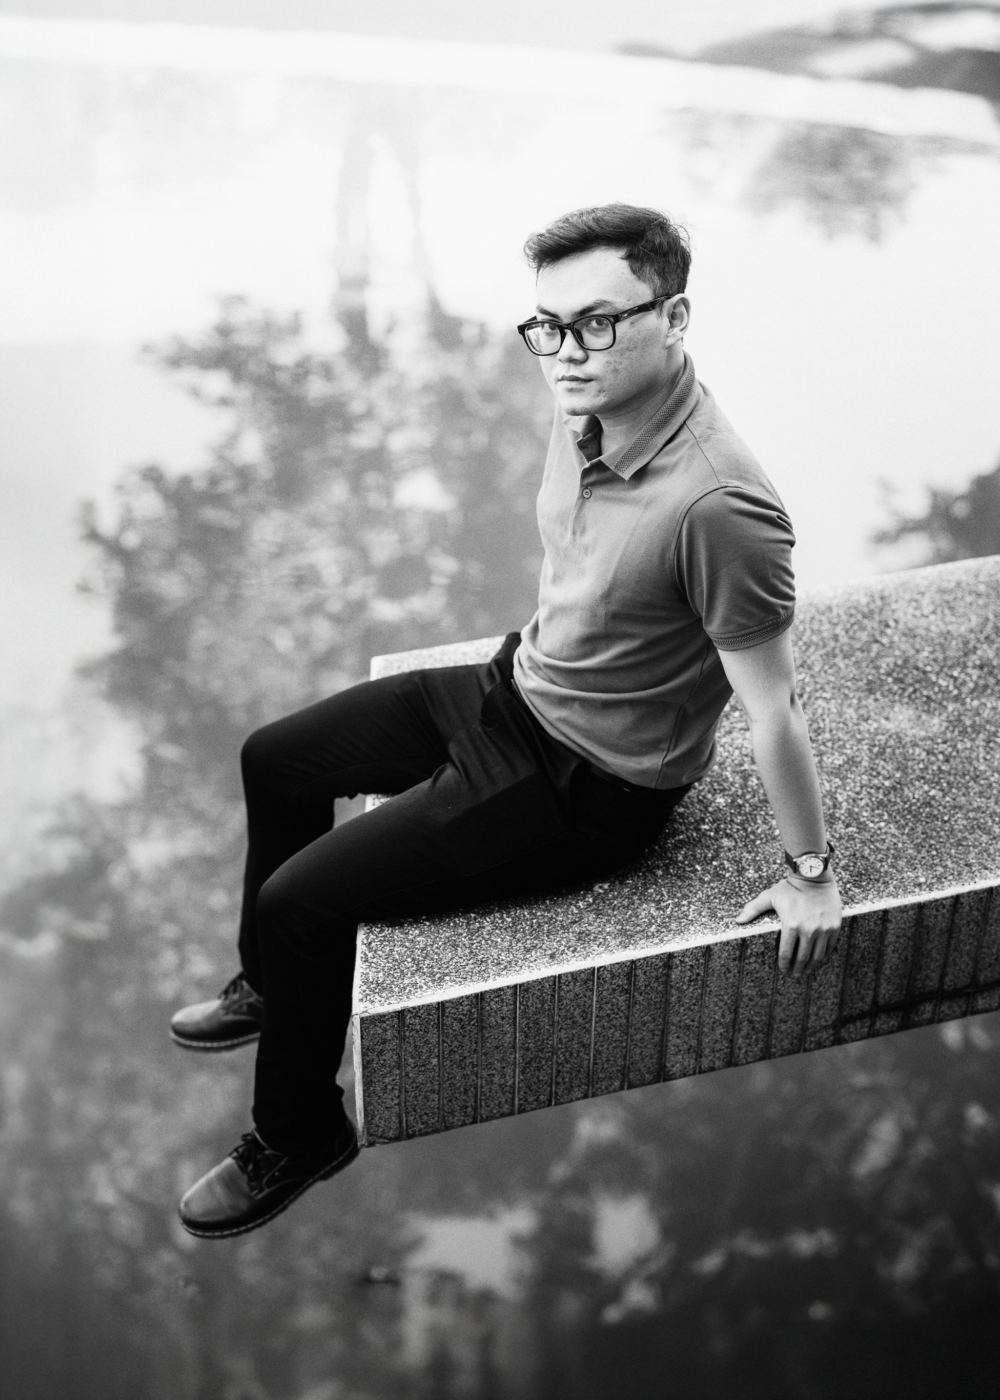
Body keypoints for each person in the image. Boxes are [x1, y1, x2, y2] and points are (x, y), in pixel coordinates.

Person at [174, 203, 842, 1238]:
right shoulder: (587, 409)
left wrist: (810, 872)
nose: (566, 351)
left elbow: (775, 705)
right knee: (278, 759)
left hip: (586, 783)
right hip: (516, 687)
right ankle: (276, 982)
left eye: (598, 322)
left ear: (674, 317)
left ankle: (300, 1132)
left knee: (303, 901)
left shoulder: (720, 506)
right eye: (548, 325)